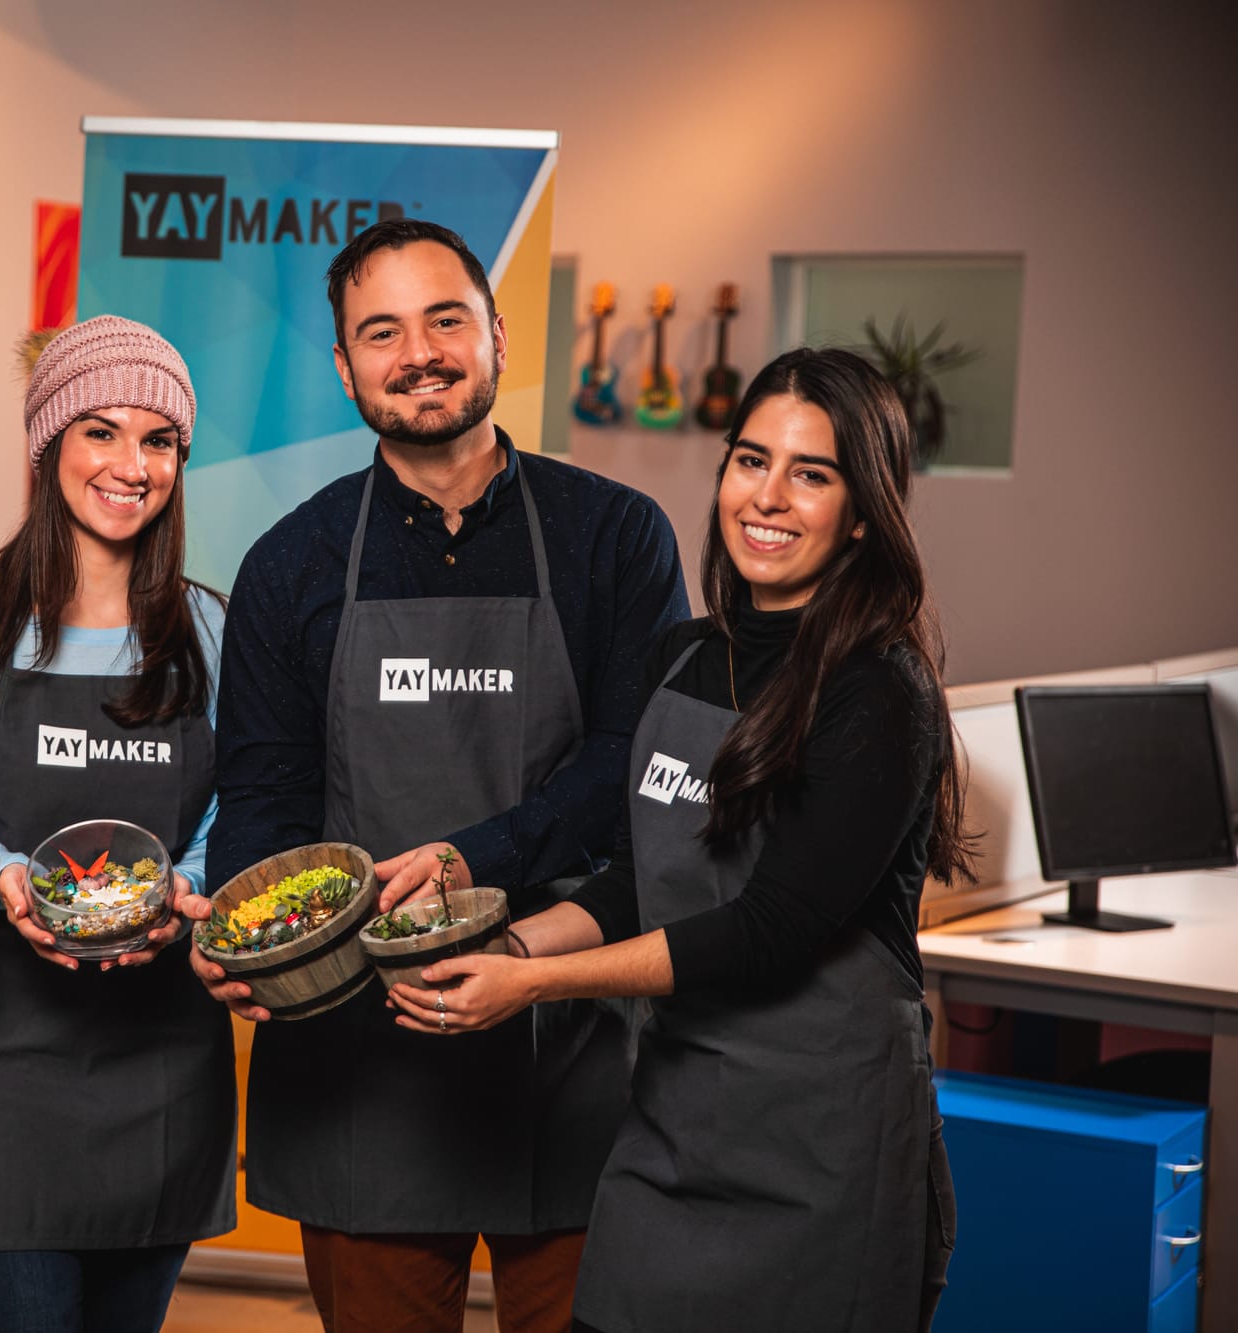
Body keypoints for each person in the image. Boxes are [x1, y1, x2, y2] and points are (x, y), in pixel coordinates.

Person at [390, 347, 969, 1333]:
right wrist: (507, 948)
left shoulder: (880, 692)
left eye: (810, 474)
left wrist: (529, 986)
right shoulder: (681, 660)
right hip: (673, 1134)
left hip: (822, 1153)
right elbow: (634, 879)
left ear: (862, 512)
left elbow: (767, 929)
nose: (768, 496)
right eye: (750, 460)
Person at [181, 219, 690, 1333]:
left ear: (497, 336)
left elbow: (636, 768)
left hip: (572, 1038)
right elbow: (263, 791)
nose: (418, 351)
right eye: (381, 331)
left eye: (444, 318)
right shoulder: (289, 564)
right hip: (361, 1068)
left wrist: (477, 857)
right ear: (343, 367)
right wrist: (241, 933)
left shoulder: (616, 538)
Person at [0, 315, 235, 1333]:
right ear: (47, 443)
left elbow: (224, 816)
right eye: (100, 431)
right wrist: (1, 880)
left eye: (158, 439)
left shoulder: (210, 631)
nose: (131, 465)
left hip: (161, 1064)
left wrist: (180, 891)